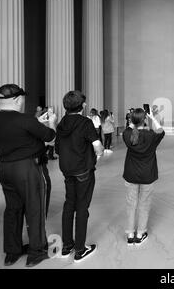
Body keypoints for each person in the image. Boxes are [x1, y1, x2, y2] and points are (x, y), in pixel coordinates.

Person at [0, 84, 56, 267]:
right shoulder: (25, 120)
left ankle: (12, 252)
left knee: (12, 210)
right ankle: (37, 251)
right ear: (17, 100)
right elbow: (49, 136)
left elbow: (17, 135)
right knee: (35, 208)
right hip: (27, 168)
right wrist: (51, 123)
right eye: (22, 99)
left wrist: (35, 123)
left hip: (4, 169)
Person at [55, 91, 104, 263]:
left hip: (67, 170)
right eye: (84, 103)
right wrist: (99, 154)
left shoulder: (61, 123)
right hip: (83, 170)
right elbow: (97, 146)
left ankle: (67, 245)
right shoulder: (85, 122)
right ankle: (80, 250)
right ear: (81, 106)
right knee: (82, 207)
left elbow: (57, 149)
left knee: (69, 204)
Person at [122, 108, 165, 246]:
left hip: (131, 174)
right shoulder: (151, 136)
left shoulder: (127, 134)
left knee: (131, 204)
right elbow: (161, 131)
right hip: (147, 175)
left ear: (131, 120)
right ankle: (140, 233)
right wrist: (152, 118)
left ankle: (130, 234)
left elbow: (129, 128)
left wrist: (133, 120)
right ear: (144, 120)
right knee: (144, 204)